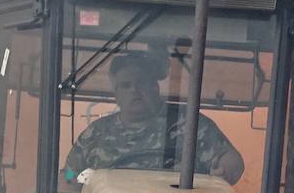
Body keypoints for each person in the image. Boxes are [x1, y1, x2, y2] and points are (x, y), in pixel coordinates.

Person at [63, 51, 244, 185]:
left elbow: (230, 160)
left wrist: (224, 171)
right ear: (116, 94)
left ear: (154, 88)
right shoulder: (96, 133)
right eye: (126, 85)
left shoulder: (190, 124)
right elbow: (69, 174)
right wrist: (69, 190)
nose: (134, 90)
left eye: (141, 83)